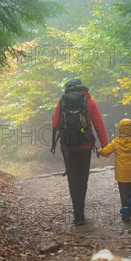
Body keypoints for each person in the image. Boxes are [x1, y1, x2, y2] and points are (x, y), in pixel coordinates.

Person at [52, 79, 108, 225]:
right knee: (83, 179)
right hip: (85, 145)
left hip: (68, 147)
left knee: (73, 179)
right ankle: (81, 212)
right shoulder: (89, 102)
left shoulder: (62, 101)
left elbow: (55, 124)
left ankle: (77, 215)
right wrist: (105, 146)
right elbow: (99, 124)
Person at [98, 118, 131, 222]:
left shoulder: (116, 142)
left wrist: (99, 151)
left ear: (120, 129)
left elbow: (106, 152)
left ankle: (126, 214)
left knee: (123, 192)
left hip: (121, 173)